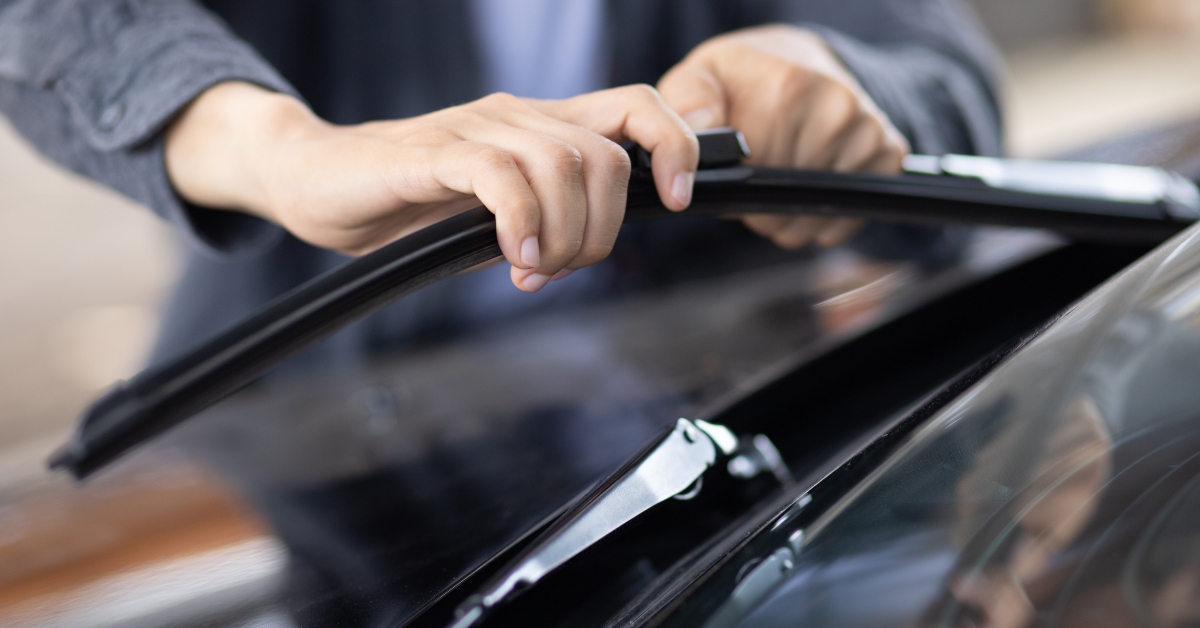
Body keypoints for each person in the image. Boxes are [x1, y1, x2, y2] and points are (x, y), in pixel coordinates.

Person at [0, 0, 1001, 369]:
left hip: (722, 430)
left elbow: (952, 108)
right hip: (314, 428)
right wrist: (282, 152)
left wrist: (841, 85)